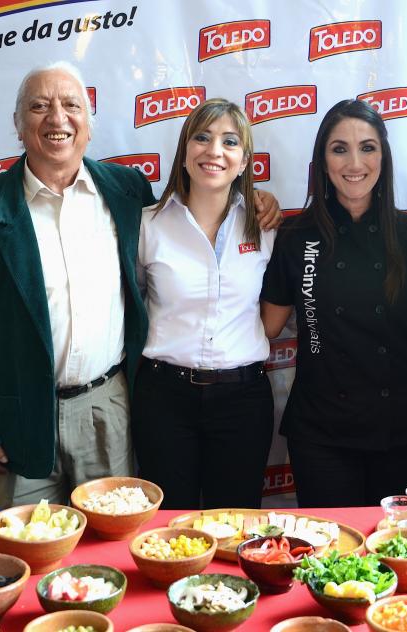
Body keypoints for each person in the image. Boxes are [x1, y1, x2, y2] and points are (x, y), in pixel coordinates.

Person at [0, 64, 280, 508]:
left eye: (71, 106)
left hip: (108, 408)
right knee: (34, 542)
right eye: (39, 107)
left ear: (88, 125)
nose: (57, 118)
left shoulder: (125, 192)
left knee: (117, 543)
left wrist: (257, 198)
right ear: (19, 126)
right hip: (21, 415)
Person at [261, 99, 407, 508]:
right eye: (339, 148)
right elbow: (267, 327)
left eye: (368, 147)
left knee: (400, 552)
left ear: (384, 157)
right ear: (322, 160)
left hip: (405, 427)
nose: (354, 162)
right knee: (331, 550)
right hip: (321, 430)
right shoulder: (295, 235)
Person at [132, 98, 276, 510]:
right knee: (166, 527)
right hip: (163, 399)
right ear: (184, 151)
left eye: (230, 142)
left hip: (243, 401)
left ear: (244, 161)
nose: (214, 151)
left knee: (235, 528)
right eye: (202, 137)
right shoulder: (148, 225)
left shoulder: (265, 227)